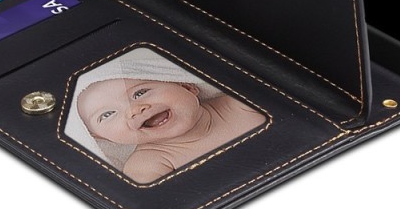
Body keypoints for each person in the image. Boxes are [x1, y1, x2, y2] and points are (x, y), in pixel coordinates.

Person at [66, 49, 266, 183]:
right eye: (108, 114)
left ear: (186, 86)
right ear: (100, 138)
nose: (135, 109)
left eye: (140, 93)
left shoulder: (241, 104)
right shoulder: (149, 164)